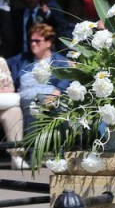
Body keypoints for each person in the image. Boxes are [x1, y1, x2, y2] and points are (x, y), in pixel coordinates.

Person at [6, 22, 70, 155]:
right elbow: (4, 64)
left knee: (59, 107)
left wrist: (57, 91)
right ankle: (33, 153)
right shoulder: (22, 59)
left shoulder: (59, 61)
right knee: (33, 104)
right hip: (27, 98)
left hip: (52, 97)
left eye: (37, 41)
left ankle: (59, 152)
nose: (33, 44)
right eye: (31, 41)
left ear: (49, 42)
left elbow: (68, 77)